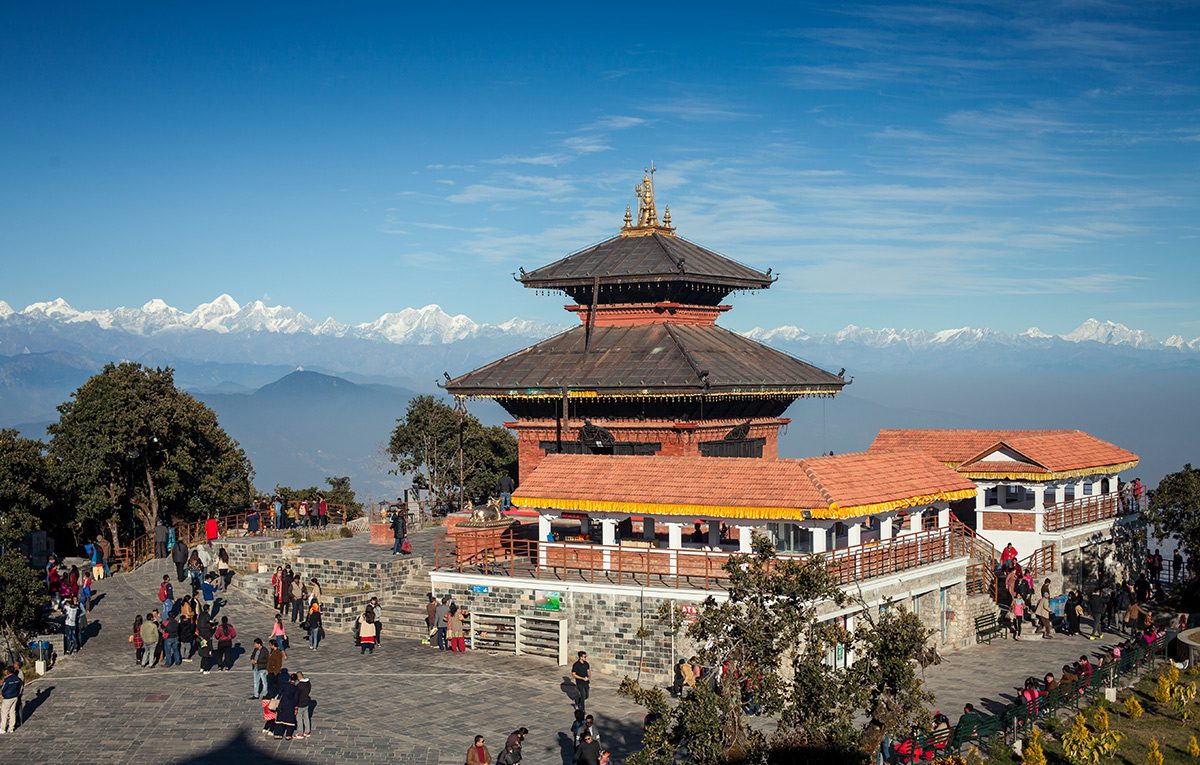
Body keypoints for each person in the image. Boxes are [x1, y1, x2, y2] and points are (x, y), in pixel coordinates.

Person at [273, 673, 299, 739]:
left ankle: (278, 734)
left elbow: (279, 693)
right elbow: (296, 699)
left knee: (280, 719)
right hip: (290, 705)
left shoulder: (284, 685)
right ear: (296, 680)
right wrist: (296, 706)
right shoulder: (295, 688)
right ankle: (288, 735)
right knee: (289, 720)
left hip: (282, 704)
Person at [1, 665, 22, 734]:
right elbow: (19, 686)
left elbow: (3, 688)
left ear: (8, 671)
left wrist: (3, 694)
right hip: (15, 697)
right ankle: (11, 728)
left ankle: (2, 728)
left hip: (7, 697)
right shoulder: (17, 678)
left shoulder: (7, 680)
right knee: (12, 712)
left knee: (4, 713)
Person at [294, 672, 313, 739]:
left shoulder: (299, 686)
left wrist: (295, 705)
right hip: (306, 702)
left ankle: (300, 733)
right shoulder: (308, 683)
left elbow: (296, 696)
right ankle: (307, 732)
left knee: (299, 719)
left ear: (298, 677)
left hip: (300, 704)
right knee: (306, 718)